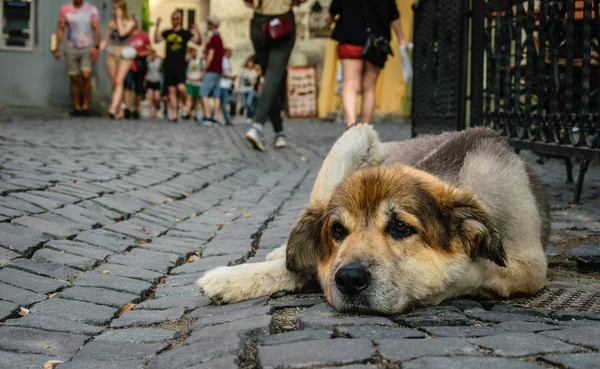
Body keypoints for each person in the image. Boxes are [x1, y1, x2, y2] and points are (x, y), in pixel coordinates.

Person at [327, 0, 409, 128]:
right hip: (377, 43)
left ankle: (351, 125)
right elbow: (393, 15)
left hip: (350, 39)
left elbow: (334, 9)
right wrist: (402, 39)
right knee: (369, 88)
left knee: (349, 84)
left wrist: (329, 21)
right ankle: (365, 128)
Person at [243, 0, 308, 151]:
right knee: (273, 77)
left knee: (270, 81)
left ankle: (279, 133)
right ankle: (257, 126)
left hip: (259, 23)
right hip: (282, 22)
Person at [54, 0, 101, 117]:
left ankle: (85, 106)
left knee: (86, 75)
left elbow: (96, 28)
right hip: (71, 47)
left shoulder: (91, 9)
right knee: (74, 77)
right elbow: (60, 29)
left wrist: (96, 46)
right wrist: (56, 48)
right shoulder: (65, 9)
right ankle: (76, 107)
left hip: (87, 47)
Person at [154, 11, 202, 122]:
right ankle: (174, 113)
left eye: (176, 18)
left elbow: (198, 42)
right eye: (173, 18)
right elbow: (156, 40)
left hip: (180, 64)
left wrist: (198, 31)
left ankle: (187, 103)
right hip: (169, 64)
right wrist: (157, 27)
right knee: (171, 90)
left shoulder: (185, 33)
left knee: (181, 87)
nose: (174, 20)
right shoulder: (167, 32)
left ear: (180, 20)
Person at [99, 0, 137, 119]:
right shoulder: (111, 23)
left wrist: (119, 19)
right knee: (114, 83)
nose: (114, 11)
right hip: (112, 53)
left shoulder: (131, 22)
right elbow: (106, 39)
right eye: (113, 9)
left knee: (119, 81)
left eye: (116, 9)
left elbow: (122, 33)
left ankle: (113, 107)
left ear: (122, 9)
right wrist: (98, 48)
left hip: (124, 55)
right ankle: (119, 110)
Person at [198, 16, 225, 126]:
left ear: (212, 25)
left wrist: (204, 70)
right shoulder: (220, 38)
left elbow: (211, 55)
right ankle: (215, 117)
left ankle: (207, 116)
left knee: (203, 93)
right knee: (216, 95)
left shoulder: (213, 39)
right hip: (218, 70)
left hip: (212, 69)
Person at [124, 25, 152, 119]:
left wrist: (138, 54)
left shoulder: (144, 35)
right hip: (128, 64)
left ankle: (136, 109)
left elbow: (149, 51)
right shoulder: (126, 35)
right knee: (127, 85)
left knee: (139, 88)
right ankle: (127, 109)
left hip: (140, 65)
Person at [237, 56, 259, 124]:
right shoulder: (243, 70)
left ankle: (250, 116)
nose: (250, 64)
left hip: (250, 89)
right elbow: (240, 80)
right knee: (244, 104)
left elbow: (255, 80)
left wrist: (253, 81)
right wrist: (238, 87)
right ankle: (247, 115)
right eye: (249, 62)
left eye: (251, 63)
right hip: (243, 89)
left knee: (249, 103)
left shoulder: (254, 71)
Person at [185, 47, 204, 121]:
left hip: (197, 83)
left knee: (196, 100)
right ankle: (188, 112)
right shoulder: (188, 61)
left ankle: (195, 114)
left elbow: (203, 70)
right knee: (189, 97)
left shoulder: (200, 61)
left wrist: (200, 78)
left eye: (195, 52)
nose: (194, 54)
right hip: (189, 82)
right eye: (192, 52)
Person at [217, 48, 235, 125]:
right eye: (230, 52)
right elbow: (222, 73)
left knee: (221, 103)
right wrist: (231, 77)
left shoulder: (227, 60)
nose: (231, 54)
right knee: (223, 103)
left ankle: (211, 116)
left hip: (226, 85)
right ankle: (227, 120)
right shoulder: (223, 60)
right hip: (222, 85)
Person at [146, 49, 162, 118]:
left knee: (156, 97)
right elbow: (145, 69)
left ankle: (156, 110)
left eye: (153, 54)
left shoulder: (159, 61)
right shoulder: (147, 60)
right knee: (150, 97)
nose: (151, 55)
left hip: (157, 80)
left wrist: (160, 76)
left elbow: (162, 69)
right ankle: (151, 111)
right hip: (149, 80)